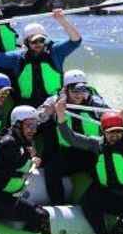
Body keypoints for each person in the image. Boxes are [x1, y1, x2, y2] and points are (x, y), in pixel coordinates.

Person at [53, 97, 123, 234]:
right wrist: (61, 114)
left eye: (118, 132)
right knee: (88, 201)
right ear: (103, 132)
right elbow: (71, 139)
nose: (115, 136)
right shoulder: (97, 144)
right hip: (114, 196)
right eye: (110, 132)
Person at [0, 10, 82, 107]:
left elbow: (76, 40)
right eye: (34, 41)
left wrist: (62, 20)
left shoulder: (55, 52)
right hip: (27, 106)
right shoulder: (18, 58)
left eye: (41, 40)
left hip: (53, 104)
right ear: (26, 43)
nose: (38, 44)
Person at [0, 106, 51, 234]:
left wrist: (31, 159)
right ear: (17, 125)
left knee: (39, 212)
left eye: (35, 126)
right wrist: (21, 173)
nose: (33, 130)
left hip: (5, 196)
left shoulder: (18, 140)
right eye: (29, 125)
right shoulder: (8, 144)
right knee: (41, 215)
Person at [38, 69, 107, 205]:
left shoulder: (96, 103)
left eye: (82, 90)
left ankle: (104, 202)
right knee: (52, 170)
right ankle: (59, 204)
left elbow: (110, 119)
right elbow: (37, 118)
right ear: (66, 89)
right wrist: (47, 112)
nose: (79, 95)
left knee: (106, 170)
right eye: (75, 91)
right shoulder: (55, 100)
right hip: (68, 152)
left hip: (91, 150)